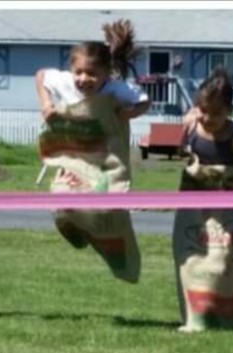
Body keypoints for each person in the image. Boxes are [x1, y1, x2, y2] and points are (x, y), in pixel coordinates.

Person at [36, 19, 150, 283]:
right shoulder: (64, 82)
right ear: (71, 70)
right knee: (61, 196)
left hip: (107, 160)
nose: (84, 79)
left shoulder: (117, 90)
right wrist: (46, 103)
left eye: (92, 74)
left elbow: (144, 101)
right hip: (75, 157)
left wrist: (127, 113)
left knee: (105, 210)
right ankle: (70, 225)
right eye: (79, 72)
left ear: (106, 74)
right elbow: (41, 76)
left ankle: (103, 241)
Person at [173, 67, 233, 331]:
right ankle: (197, 316)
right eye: (203, 110)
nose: (208, 118)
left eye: (216, 113)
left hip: (229, 207)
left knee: (231, 258)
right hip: (197, 205)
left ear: (229, 110)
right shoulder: (192, 124)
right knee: (194, 257)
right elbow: (182, 147)